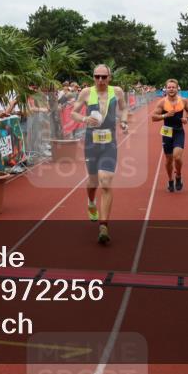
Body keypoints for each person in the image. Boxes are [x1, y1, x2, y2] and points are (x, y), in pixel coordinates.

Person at [71, 64, 129, 244]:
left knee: (105, 181)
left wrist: (124, 121)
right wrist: (83, 119)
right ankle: (90, 202)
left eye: (104, 77)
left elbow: (124, 108)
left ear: (110, 77)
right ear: (93, 77)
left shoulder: (117, 91)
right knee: (93, 181)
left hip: (109, 142)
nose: (101, 80)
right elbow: (73, 112)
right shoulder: (86, 93)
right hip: (91, 142)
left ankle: (103, 225)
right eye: (97, 76)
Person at [151, 79, 188, 192]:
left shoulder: (183, 101)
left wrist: (187, 118)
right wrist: (165, 115)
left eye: (173, 87)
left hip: (179, 131)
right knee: (168, 160)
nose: (171, 89)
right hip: (167, 131)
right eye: (169, 87)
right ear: (166, 89)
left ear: (177, 88)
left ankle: (178, 175)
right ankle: (170, 180)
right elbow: (153, 117)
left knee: (177, 157)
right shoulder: (162, 102)